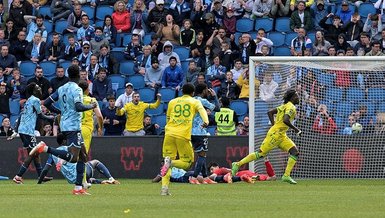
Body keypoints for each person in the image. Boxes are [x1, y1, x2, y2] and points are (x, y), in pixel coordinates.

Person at [29, 65, 98, 195]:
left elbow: (47, 103)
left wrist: (60, 111)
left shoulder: (61, 88)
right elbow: (78, 106)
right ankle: (45, 148)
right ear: (78, 75)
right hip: (73, 126)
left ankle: (78, 188)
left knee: (83, 156)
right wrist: (91, 106)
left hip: (64, 123)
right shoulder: (77, 89)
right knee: (73, 158)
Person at [231, 89, 302, 184]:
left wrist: (274, 125)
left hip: (281, 135)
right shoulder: (291, 107)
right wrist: (296, 129)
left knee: (295, 152)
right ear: (292, 97)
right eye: (296, 95)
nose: (298, 97)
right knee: (260, 154)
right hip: (275, 135)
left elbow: (270, 112)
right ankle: (237, 164)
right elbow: (285, 120)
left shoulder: (284, 106)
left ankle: (286, 175)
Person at [160, 83, 209, 196]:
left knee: (167, 160)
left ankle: (164, 189)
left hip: (169, 134)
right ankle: (170, 163)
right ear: (192, 93)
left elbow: (168, 118)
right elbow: (203, 112)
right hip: (182, 135)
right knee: (187, 163)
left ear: (182, 92)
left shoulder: (172, 102)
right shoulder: (195, 101)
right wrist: (206, 122)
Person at [9, 83, 53, 184]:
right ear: (34, 90)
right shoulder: (35, 100)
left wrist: (16, 131)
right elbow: (40, 115)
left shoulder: (29, 100)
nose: (40, 89)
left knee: (35, 153)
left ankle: (41, 176)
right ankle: (18, 176)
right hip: (28, 131)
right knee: (33, 153)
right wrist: (51, 117)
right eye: (38, 88)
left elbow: (21, 115)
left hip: (23, 130)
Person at [38, 133, 119, 185]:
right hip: (80, 174)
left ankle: (101, 182)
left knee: (89, 179)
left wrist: (39, 182)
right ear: (64, 141)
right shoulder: (69, 148)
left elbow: (45, 170)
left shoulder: (53, 154)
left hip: (71, 181)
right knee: (95, 162)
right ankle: (111, 178)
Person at [189, 83, 220, 184]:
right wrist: (214, 96)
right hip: (199, 131)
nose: (207, 91)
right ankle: (194, 177)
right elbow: (217, 108)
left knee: (201, 154)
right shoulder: (201, 101)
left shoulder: (190, 100)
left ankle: (205, 177)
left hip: (189, 131)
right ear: (203, 91)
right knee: (202, 155)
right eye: (206, 89)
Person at [78, 80, 103, 155]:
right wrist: (100, 128)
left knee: (73, 154)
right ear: (87, 90)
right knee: (83, 154)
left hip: (73, 128)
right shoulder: (92, 100)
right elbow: (99, 116)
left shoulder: (74, 100)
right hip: (85, 128)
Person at [208, 158, 276, 183]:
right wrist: (267, 163)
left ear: (216, 167)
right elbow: (273, 177)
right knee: (272, 178)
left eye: (212, 169)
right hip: (248, 174)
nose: (211, 171)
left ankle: (245, 177)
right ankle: (249, 178)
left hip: (241, 174)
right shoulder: (221, 172)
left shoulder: (220, 170)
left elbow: (212, 177)